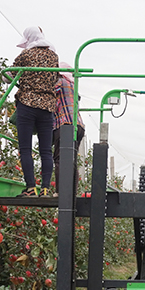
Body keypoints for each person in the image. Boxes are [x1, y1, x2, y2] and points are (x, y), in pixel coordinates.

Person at [12, 26, 58, 197]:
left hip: (27, 105)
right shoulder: (53, 55)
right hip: (47, 107)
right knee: (46, 150)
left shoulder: (26, 55)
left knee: (26, 149)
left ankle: (31, 187)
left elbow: (8, 74)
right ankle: (45, 188)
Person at [53, 61, 86, 195]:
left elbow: (49, 96)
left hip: (65, 124)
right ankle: (72, 191)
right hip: (78, 126)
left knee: (60, 159)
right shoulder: (73, 85)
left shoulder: (60, 82)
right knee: (71, 159)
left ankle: (61, 192)